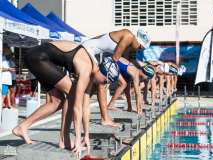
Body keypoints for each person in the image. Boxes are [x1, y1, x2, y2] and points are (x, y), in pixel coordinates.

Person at [13, 28, 151, 156]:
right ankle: (65, 139)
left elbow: (85, 106)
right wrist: (78, 139)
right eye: (104, 82)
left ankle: (23, 127)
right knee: (72, 93)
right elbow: (77, 108)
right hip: (38, 57)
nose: (102, 85)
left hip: (41, 58)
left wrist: (86, 136)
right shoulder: (86, 69)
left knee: (57, 102)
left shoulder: (93, 70)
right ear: (103, 72)